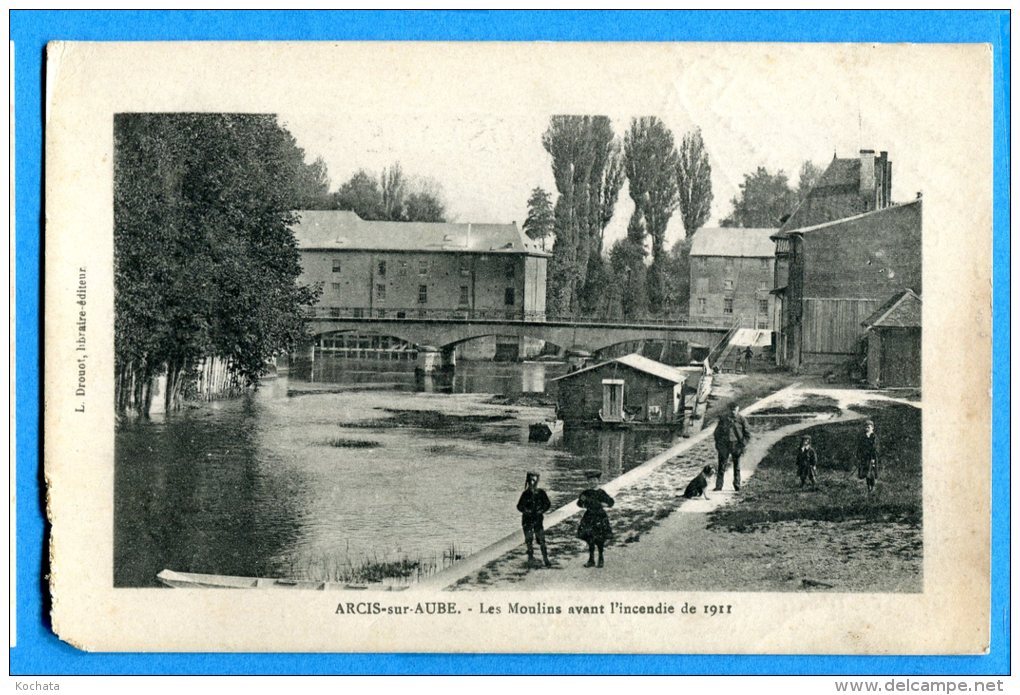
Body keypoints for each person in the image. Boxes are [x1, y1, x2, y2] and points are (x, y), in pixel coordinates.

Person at [576, 471, 614, 568]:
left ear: (598, 481)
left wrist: (603, 504)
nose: (592, 482)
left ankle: (601, 558)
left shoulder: (601, 492)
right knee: (590, 539)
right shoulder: (586, 493)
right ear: (588, 482)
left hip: (600, 517)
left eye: (594, 480)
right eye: (590, 480)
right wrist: (583, 503)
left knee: (600, 539)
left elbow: (611, 502)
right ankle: (591, 559)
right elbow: (579, 503)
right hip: (589, 517)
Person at [516, 471, 552, 567]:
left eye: (534, 480)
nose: (532, 483)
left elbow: (547, 504)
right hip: (527, 520)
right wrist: (526, 511)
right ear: (528, 482)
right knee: (529, 539)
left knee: (541, 539)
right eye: (530, 480)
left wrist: (541, 511)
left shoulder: (541, 492)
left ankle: (545, 559)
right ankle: (530, 558)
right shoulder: (525, 494)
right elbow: (519, 506)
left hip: (538, 519)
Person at [714, 401, 751, 491]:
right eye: (731, 410)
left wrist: (742, 445)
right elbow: (717, 433)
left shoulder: (742, 420)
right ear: (728, 410)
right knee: (721, 466)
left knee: (737, 466)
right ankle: (719, 486)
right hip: (725, 445)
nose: (733, 412)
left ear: (738, 409)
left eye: (735, 410)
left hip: (736, 445)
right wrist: (719, 444)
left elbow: (747, 434)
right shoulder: (723, 419)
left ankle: (737, 485)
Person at [856, 420, 880, 495]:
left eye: (868, 427)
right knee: (866, 473)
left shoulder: (874, 437)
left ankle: (872, 487)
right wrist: (859, 457)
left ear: (872, 428)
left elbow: (875, 448)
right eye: (866, 427)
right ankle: (868, 487)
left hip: (872, 458)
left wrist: (873, 458)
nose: (867, 428)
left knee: (871, 473)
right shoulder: (863, 437)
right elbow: (859, 448)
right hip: (864, 458)